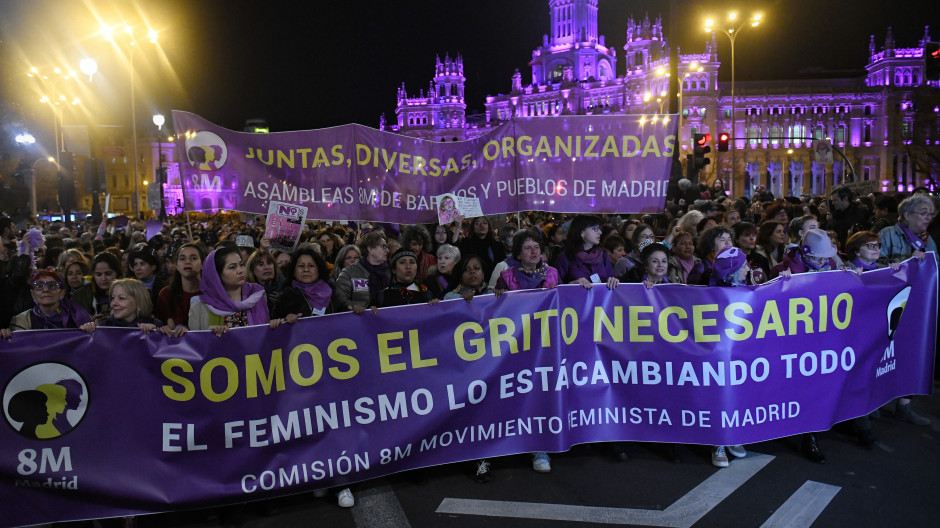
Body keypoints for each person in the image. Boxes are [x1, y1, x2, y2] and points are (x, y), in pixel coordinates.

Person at [878, 194, 936, 426]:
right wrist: (907, 261)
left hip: (916, 308)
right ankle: (875, 402)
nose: (928, 217)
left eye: (930, 213)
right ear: (906, 215)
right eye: (923, 212)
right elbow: (875, 266)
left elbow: (934, 269)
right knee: (884, 354)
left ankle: (905, 405)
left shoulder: (927, 240)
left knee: (910, 354)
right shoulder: (887, 234)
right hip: (889, 306)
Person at [705, 247, 754, 466]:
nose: (748, 268)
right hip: (719, 353)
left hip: (742, 351)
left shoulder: (748, 288)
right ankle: (718, 442)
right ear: (732, 271)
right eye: (744, 265)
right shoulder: (710, 292)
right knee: (720, 397)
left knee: (740, 394)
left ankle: (734, 435)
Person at [189, 247, 291, 336]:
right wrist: (211, 336)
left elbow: (266, 337)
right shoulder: (199, 309)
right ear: (216, 275)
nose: (240, 270)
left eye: (241, 265)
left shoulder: (257, 296)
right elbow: (197, 348)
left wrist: (282, 324)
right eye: (232, 267)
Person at [1, 269, 92, 338]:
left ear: (62, 293)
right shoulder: (22, 320)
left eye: (52, 285)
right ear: (32, 294)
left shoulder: (78, 316)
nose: (45, 290)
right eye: (39, 286)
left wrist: (89, 328)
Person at [556, 215, 619, 290]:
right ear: (582, 232)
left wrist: (614, 281)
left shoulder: (603, 255)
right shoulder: (565, 257)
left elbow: (611, 277)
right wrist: (571, 285)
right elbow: (557, 288)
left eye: (599, 228)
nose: (600, 232)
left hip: (601, 300)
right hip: (577, 300)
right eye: (595, 229)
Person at [333, 231, 390, 314]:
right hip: (357, 322)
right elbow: (339, 296)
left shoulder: (389, 271)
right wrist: (356, 306)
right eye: (383, 247)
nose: (387, 250)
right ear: (371, 249)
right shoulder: (349, 272)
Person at [80, 278, 163, 333]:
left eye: (122, 298)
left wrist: (155, 333)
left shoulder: (155, 326)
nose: (113, 303)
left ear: (139, 302)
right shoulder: (103, 326)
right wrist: (87, 330)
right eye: (113, 298)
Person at [156, 243, 205, 332]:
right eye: (182, 259)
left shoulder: (213, 292)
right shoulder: (165, 294)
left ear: (202, 264)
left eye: (193, 258)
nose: (187, 262)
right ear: (177, 266)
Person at [273, 247, 333, 318]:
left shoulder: (333, 291)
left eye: (311, 266)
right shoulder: (285, 298)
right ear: (294, 271)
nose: (306, 269)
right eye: (301, 266)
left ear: (319, 270)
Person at [246, 250, 287, 314]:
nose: (267, 267)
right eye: (261, 264)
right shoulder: (245, 294)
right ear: (252, 270)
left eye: (269, 263)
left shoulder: (287, 289)